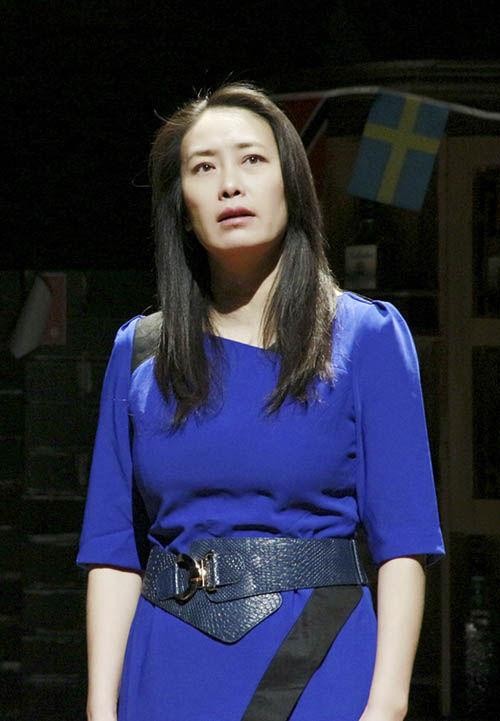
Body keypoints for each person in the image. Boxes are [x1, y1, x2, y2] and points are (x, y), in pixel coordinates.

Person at [76, 80, 446, 721]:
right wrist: (101, 708)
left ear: (290, 185)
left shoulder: (365, 338)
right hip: (165, 675)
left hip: (318, 665)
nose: (229, 184)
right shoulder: (140, 352)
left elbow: (404, 542)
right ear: (182, 206)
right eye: (203, 167)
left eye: (251, 159)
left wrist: (386, 704)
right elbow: (112, 552)